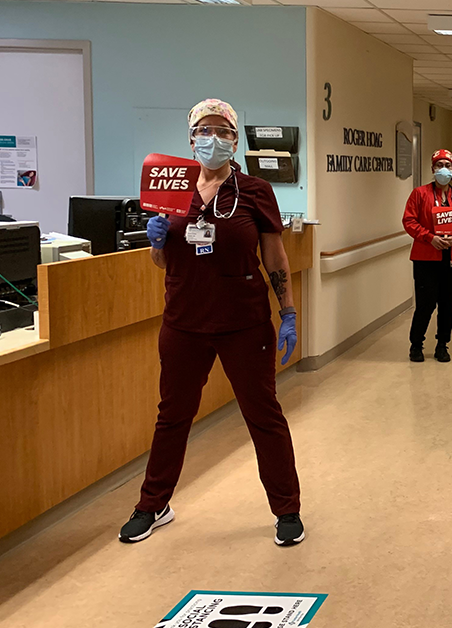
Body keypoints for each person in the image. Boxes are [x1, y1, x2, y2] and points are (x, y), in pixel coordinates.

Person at [122, 99, 305, 546]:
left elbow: (274, 256)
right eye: (205, 130)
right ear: (191, 138)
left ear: (235, 140)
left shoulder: (255, 191)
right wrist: (156, 242)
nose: (214, 139)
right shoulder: (173, 189)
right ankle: (153, 504)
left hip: (243, 322)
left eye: (223, 131)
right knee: (172, 416)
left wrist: (288, 312)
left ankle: (287, 510)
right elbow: (163, 262)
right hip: (184, 322)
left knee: (263, 416)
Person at [402, 149, 452, 363]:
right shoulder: (419, 194)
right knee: (425, 304)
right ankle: (416, 345)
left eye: (448, 165)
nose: (444, 169)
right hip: (426, 258)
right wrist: (429, 237)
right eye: (439, 165)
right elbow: (409, 221)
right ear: (433, 169)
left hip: (451, 259)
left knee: (447, 305)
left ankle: (443, 345)